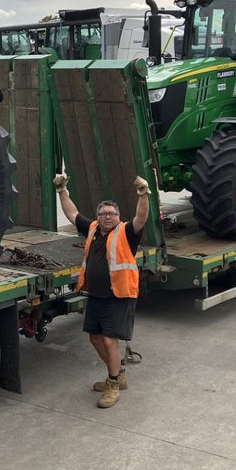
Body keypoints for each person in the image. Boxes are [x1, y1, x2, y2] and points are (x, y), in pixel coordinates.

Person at [52, 172, 150, 408]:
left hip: (119, 295)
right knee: (95, 339)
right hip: (96, 295)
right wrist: (62, 191)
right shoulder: (94, 229)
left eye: (112, 214)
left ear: (118, 216)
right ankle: (118, 374)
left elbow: (141, 217)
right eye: (103, 213)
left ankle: (113, 383)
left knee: (108, 341)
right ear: (98, 216)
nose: (107, 217)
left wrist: (143, 194)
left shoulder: (127, 232)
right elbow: (72, 214)